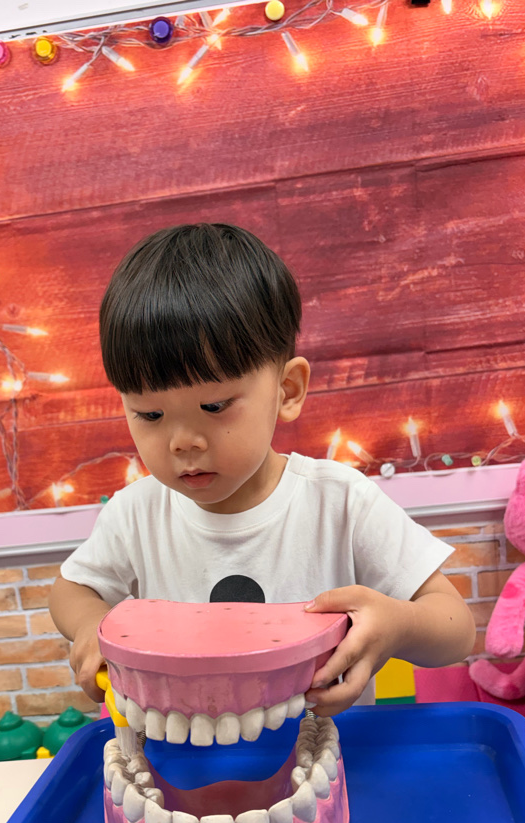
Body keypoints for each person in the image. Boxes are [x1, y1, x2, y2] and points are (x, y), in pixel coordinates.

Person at [49, 223, 475, 716]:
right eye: (149, 415)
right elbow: (72, 588)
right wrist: (90, 625)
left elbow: (457, 627)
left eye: (214, 406)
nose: (182, 441)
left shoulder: (340, 502)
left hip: (328, 753)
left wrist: (397, 625)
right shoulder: (135, 514)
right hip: (181, 755)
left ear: (287, 390)